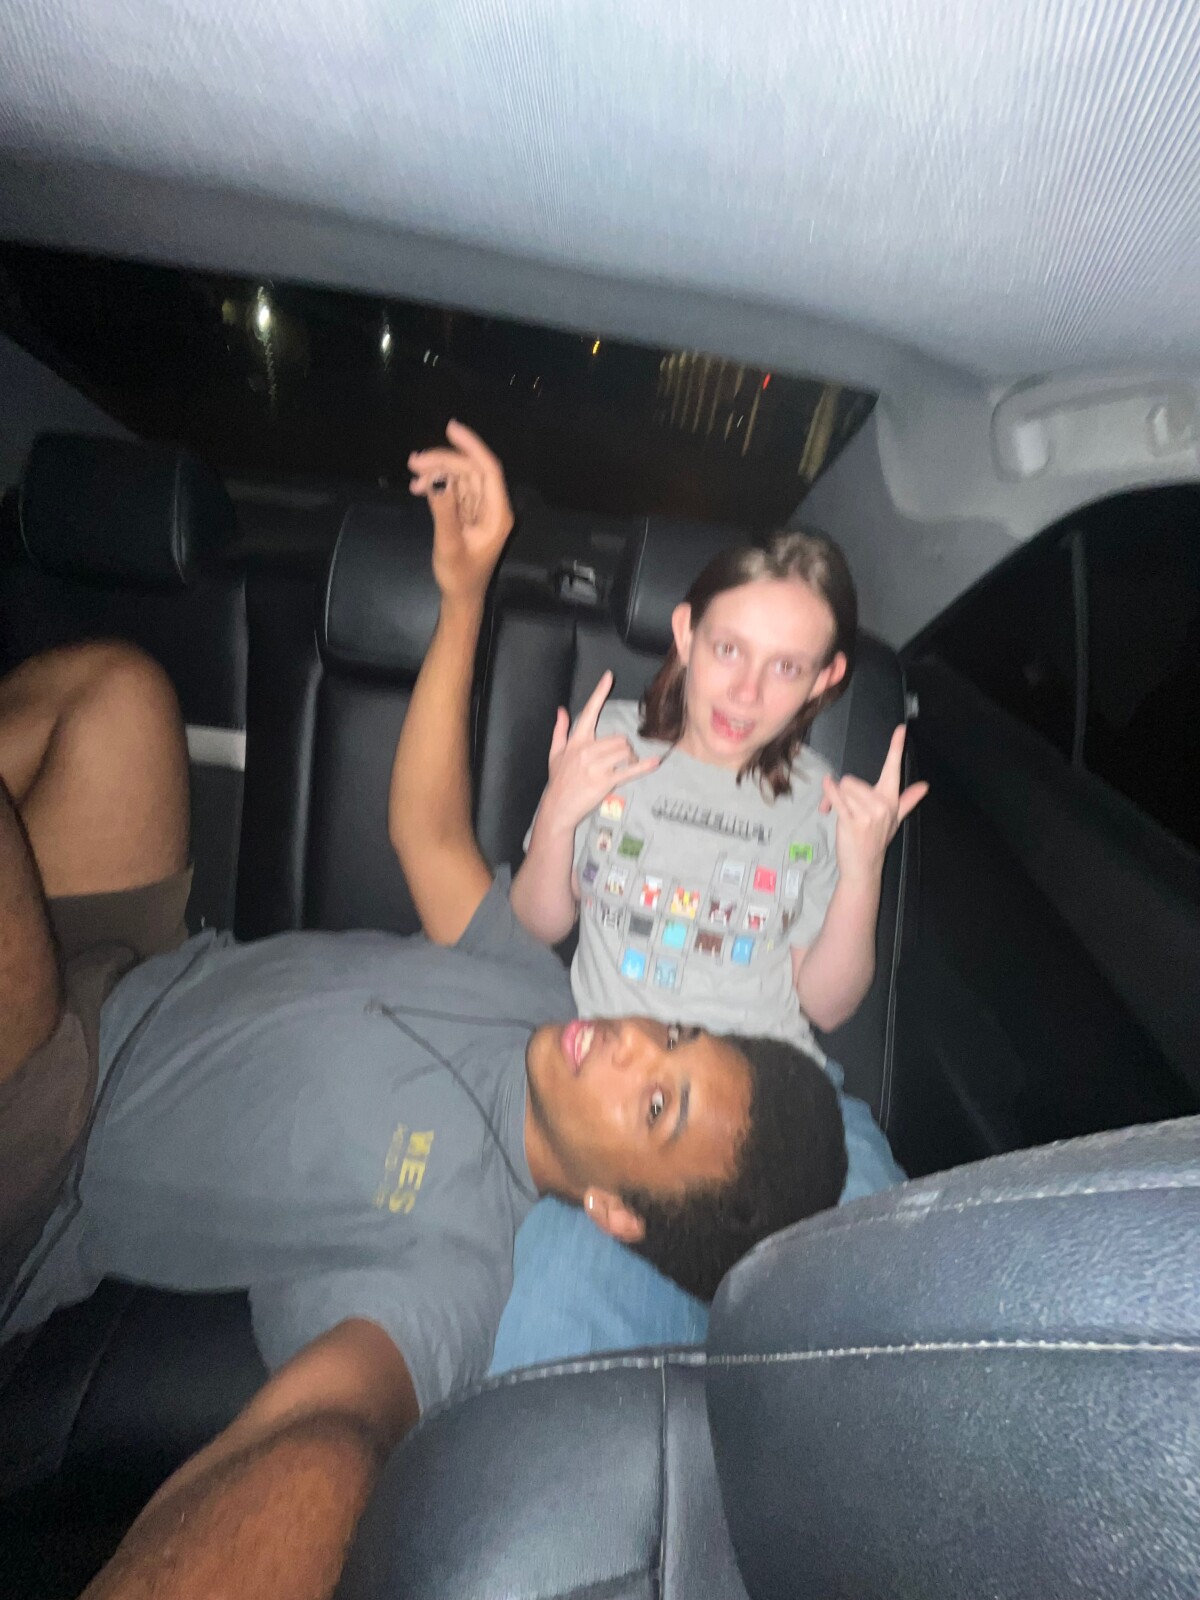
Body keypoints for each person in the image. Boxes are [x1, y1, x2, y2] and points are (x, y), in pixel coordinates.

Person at [0, 423, 847, 1600]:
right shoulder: (540, 993)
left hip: (49, 1122)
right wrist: (464, 592)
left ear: (612, 1209)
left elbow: (334, 1437)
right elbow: (428, 835)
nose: (633, 1044)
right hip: (141, 963)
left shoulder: (456, 1265)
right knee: (118, 696)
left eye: (657, 1103)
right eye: (678, 1037)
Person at [482, 464, 926, 1371]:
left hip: (784, 1114)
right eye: (728, 649)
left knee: (903, 1324)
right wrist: (559, 814)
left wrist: (862, 871)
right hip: (632, 1125)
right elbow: (537, 922)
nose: (745, 691)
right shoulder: (606, 754)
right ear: (685, 631)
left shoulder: (820, 804)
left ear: (826, 679)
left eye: (786, 668)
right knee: (555, 1355)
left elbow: (828, 1004)